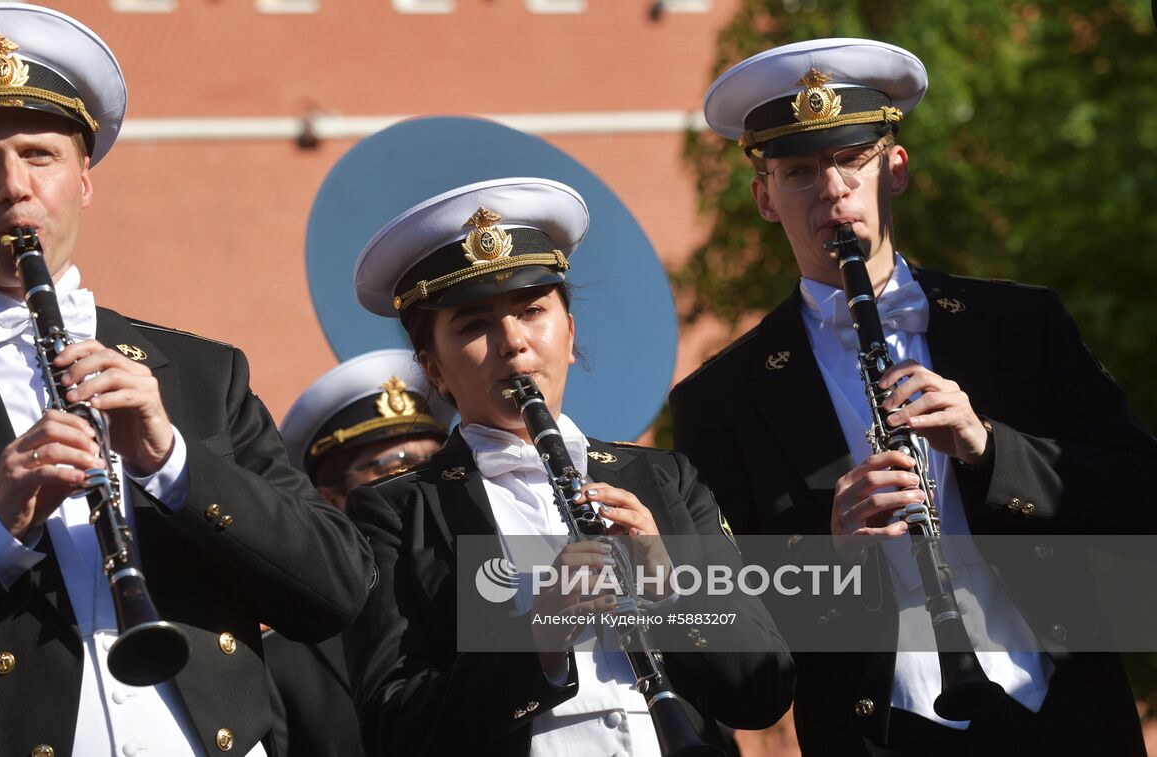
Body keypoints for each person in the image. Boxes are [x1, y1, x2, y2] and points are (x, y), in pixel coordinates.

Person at [0, 3, 372, 756]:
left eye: (39, 155)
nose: (12, 187)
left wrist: (175, 464)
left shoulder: (200, 372)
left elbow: (340, 590)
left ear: (84, 179)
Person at [669, 38, 1157, 756]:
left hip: (1068, 715)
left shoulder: (1022, 326)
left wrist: (992, 449)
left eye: (851, 160)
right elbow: (745, 639)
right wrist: (833, 557)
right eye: (798, 172)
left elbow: (1142, 495)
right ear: (764, 197)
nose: (831, 190)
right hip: (885, 734)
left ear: (894, 169)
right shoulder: (722, 399)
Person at [343, 176, 796, 756]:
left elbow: (764, 691)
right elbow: (392, 729)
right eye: (474, 325)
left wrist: (671, 589)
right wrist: (538, 635)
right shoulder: (396, 512)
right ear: (434, 370)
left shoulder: (665, 480)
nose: (512, 342)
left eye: (532, 310)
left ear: (570, 331)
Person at [266, 349, 452, 757]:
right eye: (395, 467)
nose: (421, 484)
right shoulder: (278, 663)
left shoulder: (495, 598)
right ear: (330, 500)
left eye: (436, 464)